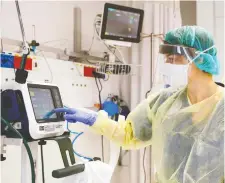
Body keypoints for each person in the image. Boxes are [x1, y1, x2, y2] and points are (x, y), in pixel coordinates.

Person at [49, 26, 224, 183]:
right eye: (166, 59)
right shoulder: (164, 101)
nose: (167, 65)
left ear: (200, 58)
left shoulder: (222, 108)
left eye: (174, 59)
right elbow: (129, 134)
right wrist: (93, 119)